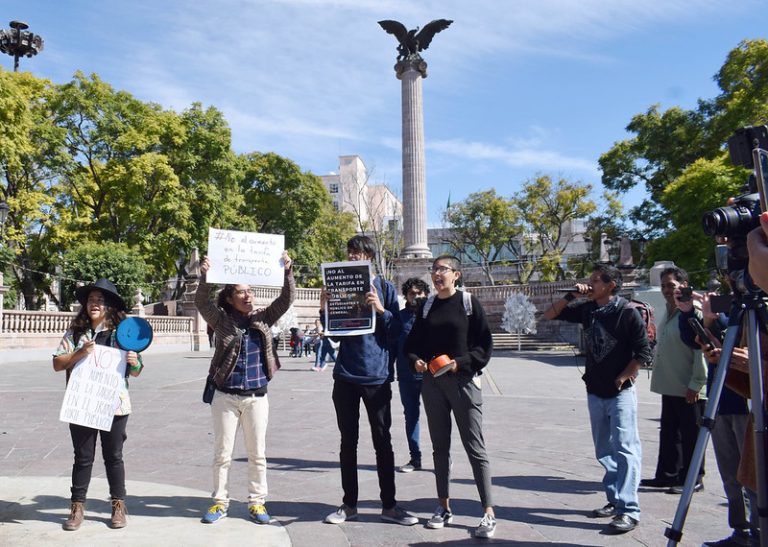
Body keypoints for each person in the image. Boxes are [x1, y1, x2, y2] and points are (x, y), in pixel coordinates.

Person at [543, 264, 651, 535]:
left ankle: (629, 510)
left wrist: (625, 375)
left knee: (626, 449)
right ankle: (614, 500)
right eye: (589, 280)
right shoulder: (589, 310)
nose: (589, 285)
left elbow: (643, 351)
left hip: (620, 393)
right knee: (604, 449)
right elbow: (549, 314)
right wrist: (571, 297)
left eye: (595, 281)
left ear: (611, 284)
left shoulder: (627, 313)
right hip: (594, 390)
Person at [321, 235, 416, 526]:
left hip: (376, 376)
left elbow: (398, 333)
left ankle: (389, 505)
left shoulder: (385, 288)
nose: (352, 257)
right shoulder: (339, 286)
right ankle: (349, 505)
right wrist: (325, 306)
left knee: (382, 441)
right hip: (346, 374)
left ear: (369, 257)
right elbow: (334, 335)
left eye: (357, 253)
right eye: (349, 252)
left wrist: (381, 311)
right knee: (347, 442)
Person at [194, 251, 295, 525]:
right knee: (222, 453)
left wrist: (287, 273)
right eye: (241, 292)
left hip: (256, 397)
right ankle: (219, 502)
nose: (248, 296)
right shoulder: (221, 320)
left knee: (257, 454)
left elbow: (286, 300)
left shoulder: (262, 318)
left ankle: (257, 502)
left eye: (250, 291)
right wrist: (204, 276)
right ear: (229, 298)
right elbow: (201, 301)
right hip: (225, 397)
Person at [404, 256, 496, 538]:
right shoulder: (426, 306)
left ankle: (488, 512)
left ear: (455, 275)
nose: (436, 274)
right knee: (439, 448)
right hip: (433, 384)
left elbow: (485, 347)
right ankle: (443, 506)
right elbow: (412, 344)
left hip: (464, 382)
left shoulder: (469, 304)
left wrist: (459, 363)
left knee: (475, 448)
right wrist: (417, 360)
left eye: (442, 269)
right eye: (433, 270)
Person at [53, 278, 143, 531]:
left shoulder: (122, 335)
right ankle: (77, 506)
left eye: (101, 301)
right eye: (92, 299)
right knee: (82, 458)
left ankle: (118, 506)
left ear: (110, 307)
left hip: (115, 405)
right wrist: (80, 353)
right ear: (85, 305)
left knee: (114, 457)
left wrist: (134, 360)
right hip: (83, 403)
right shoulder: (75, 333)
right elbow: (57, 363)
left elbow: (136, 371)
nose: (95, 304)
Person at [678, 291, 759, 547]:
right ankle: (740, 531)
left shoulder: (754, 306)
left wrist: (716, 320)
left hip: (746, 403)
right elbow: (696, 342)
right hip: (720, 401)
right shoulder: (728, 304)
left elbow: (745, 348)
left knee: (753, 476)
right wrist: (698, 316)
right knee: (730, 475)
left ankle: (758, 531)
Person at [640, 266, 708, 494]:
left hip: (689, 385)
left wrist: (697, 382)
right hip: (670, 384)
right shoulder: (670, 310)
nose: (667, 290)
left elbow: (701, 349)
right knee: (669, 433)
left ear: (684, 285)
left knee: (691, 434)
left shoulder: (693, 312)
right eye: (664, 286)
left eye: (671, 285)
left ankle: (693, 478)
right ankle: (667, 475)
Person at [396, 277, 430, 473]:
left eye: (419, 293)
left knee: (438, 418)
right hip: (407, 375)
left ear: (425, 293)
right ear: (406, 296)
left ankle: (443, 458)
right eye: (411, 293)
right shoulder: (399, 318)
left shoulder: (433, 314)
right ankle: (415, 457)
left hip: (431, 374)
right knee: (411, 416)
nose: (415, 296)